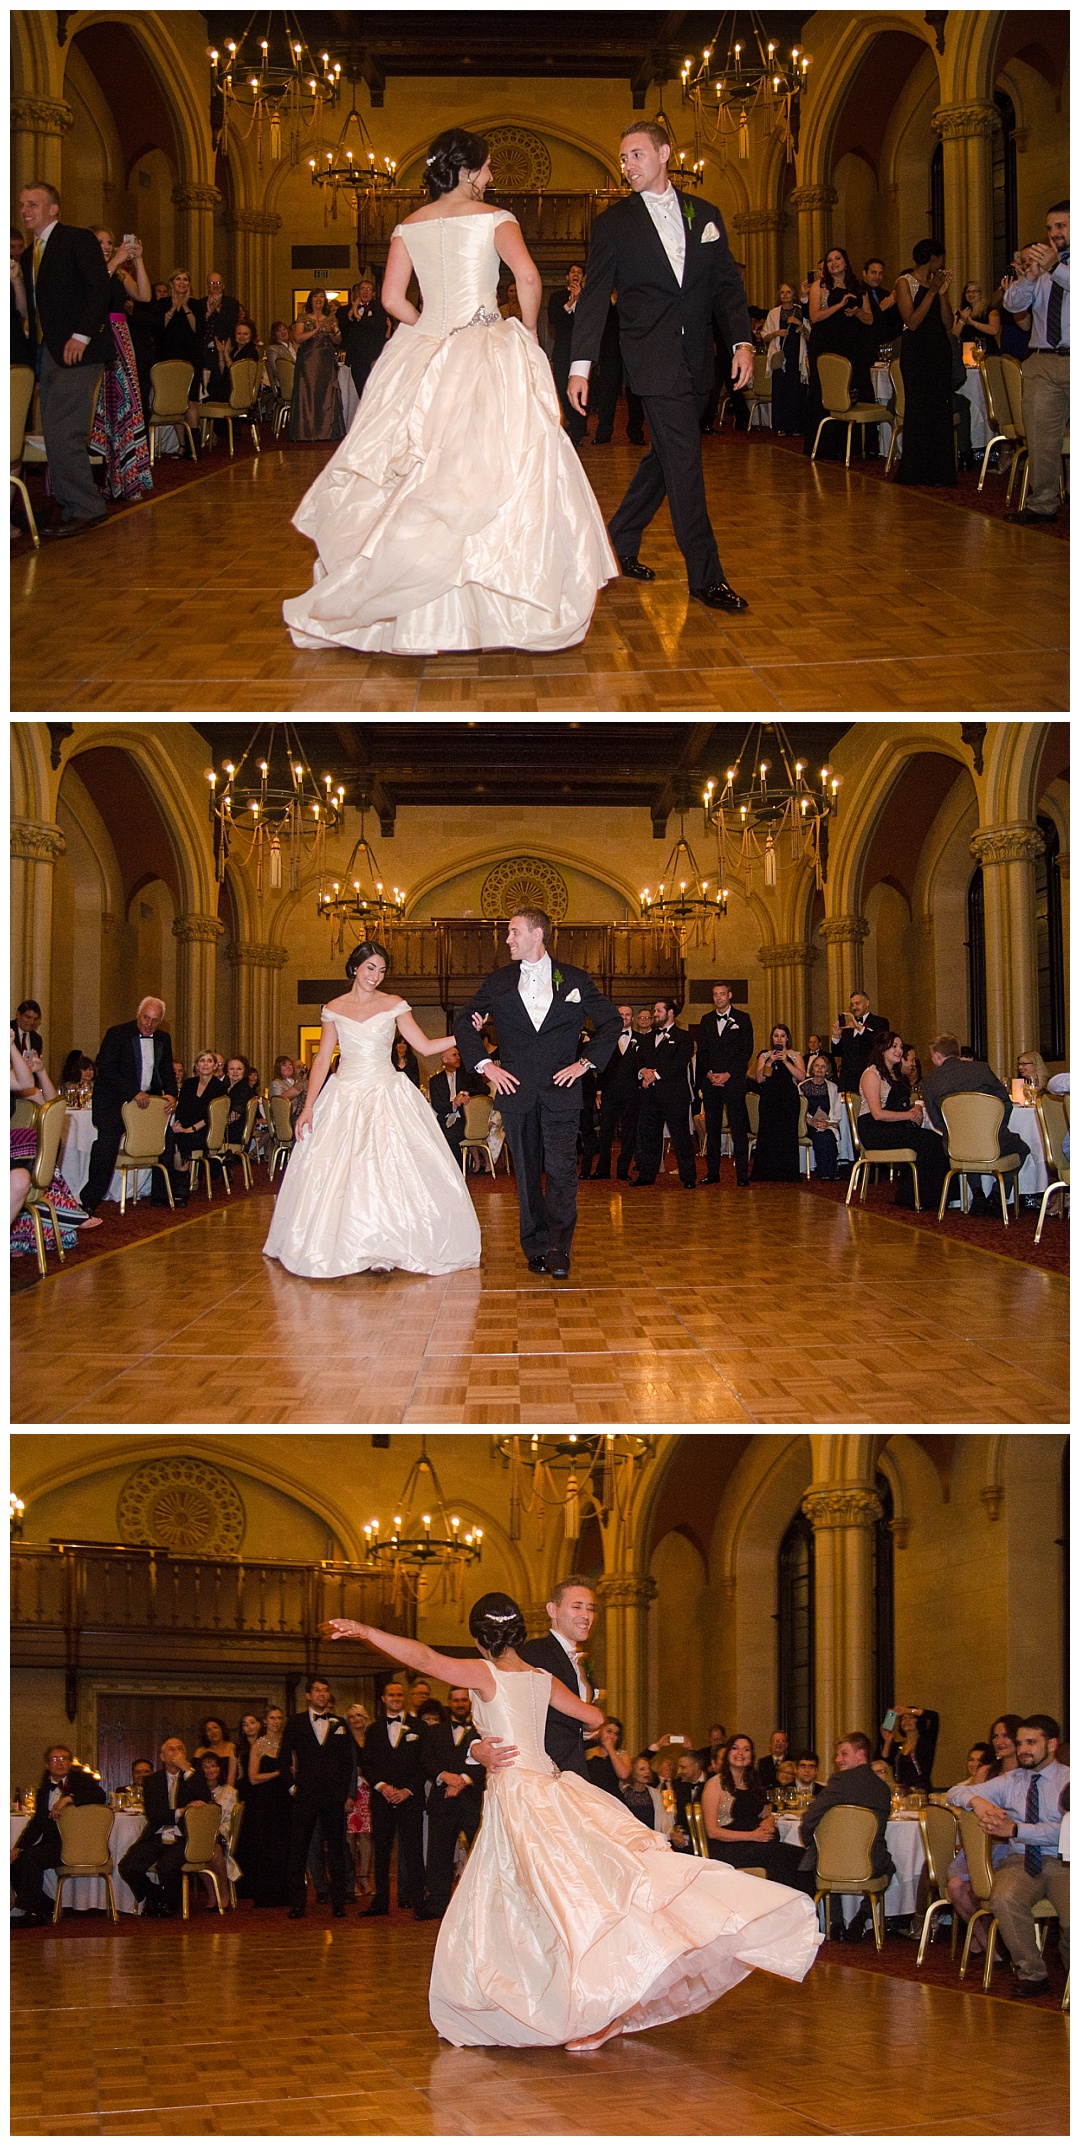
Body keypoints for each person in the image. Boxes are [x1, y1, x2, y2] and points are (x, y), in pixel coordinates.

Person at [325, 1593, 820, 2050]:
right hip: (549, 1783)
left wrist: (366, 1631)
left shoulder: (484, 1674)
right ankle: (585, 2002)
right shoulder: (542, 1679)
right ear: (520, 1635)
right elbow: (590, 1717)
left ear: (480, 1639)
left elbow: (424, 1659)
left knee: (550, 1901)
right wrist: (518, 1730)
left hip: (521, 1795)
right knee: (561, 1896)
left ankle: (585, 2005)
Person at [285, 128, 616, 655]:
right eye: (485, 169)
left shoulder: (407, 225)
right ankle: (494, 608)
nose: (490, 177)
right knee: (482, 471)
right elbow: (528, 278)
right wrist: (526, 333)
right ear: (466, 170)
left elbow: (393, 298)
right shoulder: (496, 219)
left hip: (423, 350)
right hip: (482, 346)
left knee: (417, 473)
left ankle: (409, 609)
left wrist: (426, 330)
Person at [569, 121, 754, 613]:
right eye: (623, 157)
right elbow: (592, 300)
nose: (627, 165)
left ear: (665, 153)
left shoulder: (705, 214)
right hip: (652, 360)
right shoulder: (614, 224)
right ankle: (705, 576)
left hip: (699, 362)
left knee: (667, 458)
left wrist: (741, 343)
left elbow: (726, 290)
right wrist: (580, 365)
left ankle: (619, 540)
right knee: (686, 464)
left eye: (636, 154)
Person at [264, 941, 480, 1279]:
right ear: (354, 967)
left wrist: (462, 1035)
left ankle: (385, 1245)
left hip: (385, 1091)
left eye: (381, 970)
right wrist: (308, 1107)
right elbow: (322, 1059)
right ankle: (347, 1244)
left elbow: (423, 1046)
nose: (375, 976)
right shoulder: (334, 1007)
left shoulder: (394, 1005)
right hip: (344, 1093)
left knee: (386, 1169)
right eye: (369, 968)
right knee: (342, 1172)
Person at [455, 909, 621, 1279]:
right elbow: (463, 1022)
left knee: (563, 1171)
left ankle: (560, 1247)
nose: (508, 939)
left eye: (514, 932)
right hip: (516, 1093)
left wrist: (586, 1063)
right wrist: (487, 1066)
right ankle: (535, 1245)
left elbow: (611, 1022)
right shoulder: (497, 982)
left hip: (562, 1092)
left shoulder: (575, 979)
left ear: (537, 934)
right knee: (527, 1174)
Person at [948, 1714, 1069, 1997]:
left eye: (1031, 1742)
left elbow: (1066, 1830)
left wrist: (1016, 1829)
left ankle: (1069, 1965)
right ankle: (1033, 1974)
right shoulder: (1010, 1780)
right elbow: (954, 1793)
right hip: (1020, 1861)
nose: (1023, 1749)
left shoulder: (1069, 1780)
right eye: (1020, 1743)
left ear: (1051, 1744)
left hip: (1065, 1862)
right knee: (1003, 1897)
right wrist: (976, 1801)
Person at [17, 179, 112, 537]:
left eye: (33, 204)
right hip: (49, 352)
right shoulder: (29, 254)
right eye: (22, 204)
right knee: (54, 432)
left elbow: (99, 288)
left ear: (53, 209)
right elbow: (35, 311)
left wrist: (81, 336)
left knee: (64, 432)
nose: (25, 210)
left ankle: (85, 507)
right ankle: (74, 503)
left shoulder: (75, 239)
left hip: (78, 350)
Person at [1003, 202, 1069, 526]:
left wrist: (1055, 268)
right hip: (1042, 362)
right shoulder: (1042, 271)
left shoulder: (1061, 268)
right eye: (1050, 228)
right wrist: (1030, 276)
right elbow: (1012, 303)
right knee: (1041, 438)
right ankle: (1043, 504)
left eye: (1062, 226)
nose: (1054, 233)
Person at [82, 997, 176, 1216]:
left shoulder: (163, 1038)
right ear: (137, 1012)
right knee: (106, 1147)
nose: (148, 1024)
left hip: (145, 1104)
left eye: (154, 1020)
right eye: (146, 1018)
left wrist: (172, 1094)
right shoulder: (117, 1034)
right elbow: (105, 1068)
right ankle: (89, 1201)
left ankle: (161, 1197)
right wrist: (132, 1092)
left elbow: (166, 1071)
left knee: (167, 1138)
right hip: (113, 1101)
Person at [797, 1732, 894, 1936]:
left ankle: (835, 1922)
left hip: (834, 1862)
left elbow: (809, 1819)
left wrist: (810, 1844)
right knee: (890, 1866)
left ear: (861, 1755)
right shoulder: (883, 1789)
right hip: (870, 1862)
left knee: (823, 1857)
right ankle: (862, 1915)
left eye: (844, 1754)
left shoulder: (841, 1781)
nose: (838, 1759)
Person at [919, 1032, 1029, 1205]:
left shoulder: (929, 1082)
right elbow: (1005, 1103)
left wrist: (955, 1131)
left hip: (956, 1145)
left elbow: (937, 1121)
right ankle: (998, 1195)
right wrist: (997, 1127)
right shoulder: (981, 1069)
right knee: (1022, 1148)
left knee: (966, 1145)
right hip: (992, 1141)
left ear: (938, 1056)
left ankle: (977, 1193)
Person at [278, 1676, 353, 1919]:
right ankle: (298, 1903)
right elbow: (283, 1757)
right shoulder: (296, 1722)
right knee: (299, 1848)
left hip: (333, 1797)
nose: (322, 1694)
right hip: (305, 1795)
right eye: (317, 1690)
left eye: (325, 1690)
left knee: (337, 1850)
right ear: (308, 1695)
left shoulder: (340, 1723)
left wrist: (343, 1793)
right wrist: (292, 1787)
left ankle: (339, 1901)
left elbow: (348, 1763)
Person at [87, 229, 153, 502]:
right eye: (99, 242)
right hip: (98, 338)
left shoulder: (119, 274)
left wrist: (137, 260)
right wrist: (114, 260)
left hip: (122, 340)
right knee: (98, 412)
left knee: (126, 409)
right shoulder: (88, 270)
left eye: (109, 242)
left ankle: (128, 478)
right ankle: (95, 482)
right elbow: (92, 291)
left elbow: (145, 296)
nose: (106, 246)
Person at [10, 1743, 107, 1925]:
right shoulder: (44, 1790)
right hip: (53, 1844)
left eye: (64, 1758)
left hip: (76, 1844)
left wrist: (68, 1799)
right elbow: (37, 1824)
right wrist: (19, 1847)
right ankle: (45, 1905)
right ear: (47, 1765)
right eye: (55, 1759)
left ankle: (35, 1913)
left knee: (31, 1858)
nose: (60, 1763)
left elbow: (100, 1796)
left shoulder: (81, 1781)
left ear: (70, 1763)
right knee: (17, 1861)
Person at [118, 1737, 212, 1917]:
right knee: (128, 1866)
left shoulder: (192, 1778)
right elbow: (154, 1814)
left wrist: (186, 1770)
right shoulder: (153, 1781)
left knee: (167, 1867)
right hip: (157, 1834)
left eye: (179, 1749)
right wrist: (181, 1811)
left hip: (184, 1836)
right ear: (162, 1756)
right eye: (171, 1749)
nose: (175, 1753)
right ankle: (158, 1896)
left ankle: (168, 1904)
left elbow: (205, 1798)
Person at [857, 1032, 949, 1211]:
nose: (899, 1050)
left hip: (893, 1126)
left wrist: (916, 1109)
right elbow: (877, 1114)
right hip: (874, 1129)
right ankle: (916, 1196)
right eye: (894, 1046)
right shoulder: (871, 1074)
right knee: (928, 1141)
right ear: (882, 1050)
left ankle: (931, 1195)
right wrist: (908, 1115)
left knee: (936, 1139)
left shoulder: (897, 1075)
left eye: (900, 1046)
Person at [359, 1678, 426, 1917]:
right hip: (382, 1799)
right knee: (381, 1851)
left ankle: (418, 1901)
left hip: (410, 1799)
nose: (395, 1699)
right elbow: (366, 1763)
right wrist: (382, 1786)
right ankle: (380, 1903)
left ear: (404, 1698)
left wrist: (407, 1790)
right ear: (384, 1699)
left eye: (399, 1695)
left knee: (413, 1851)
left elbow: (424, 1764)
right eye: (391, 1695)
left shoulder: (420, 1727)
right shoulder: (374, 1729)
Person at [417, 1686, 484, 1921]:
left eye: (464, 1700)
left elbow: (487, 1763)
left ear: (471, 1702)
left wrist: (463, 1780)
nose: (460, 1704)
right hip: (442, 1799)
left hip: (472, 1801)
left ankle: (480, 1904)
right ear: (449, 1702)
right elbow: (425, 1759)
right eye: (456, 1700)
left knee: (480, 1854)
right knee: (439, 1855)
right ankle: (437, 1904)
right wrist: (445, 1776)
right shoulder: (435, 1732)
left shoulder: (483, 1731)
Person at [895, 240, 957, 486]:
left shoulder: (937, 284)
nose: (942, 264)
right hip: (917, 353)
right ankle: (916, 469)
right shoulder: (904, 283)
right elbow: (911, 321)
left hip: (938, 351)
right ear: (933, 258)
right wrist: (930, 291)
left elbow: (948, 323)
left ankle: (940, 471)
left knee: (940, 410)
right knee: (918, 409)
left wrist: (942, 294)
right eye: (941, 259)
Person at [803, 248, 875, 461]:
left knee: (855, 388)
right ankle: (825, 445)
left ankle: (856, 446)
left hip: (852, 345)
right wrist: (839, 305)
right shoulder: (820, 286)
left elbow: (870, 319)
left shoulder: (859, 288)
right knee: (826, 391)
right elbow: (814, 317)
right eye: (830, 260)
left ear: (846, 262)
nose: (834, 263)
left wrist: (857, 312)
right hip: (825, 344)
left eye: (838, 259)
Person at [633, 997, 698, 1188]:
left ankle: (688, 1177)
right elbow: (637, 1060)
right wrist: (643, 1072)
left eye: (659, 1011)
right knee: (649, 1137)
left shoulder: (684, 1037)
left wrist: (655, 1075)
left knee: (681, 1137)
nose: (655, 1014)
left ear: (670, 1013)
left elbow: (679, 1063)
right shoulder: (646, 1038)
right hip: (650, 1095)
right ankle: (647, 1175)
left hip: (674, 1095)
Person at [696, 983, 754, 1186]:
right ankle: (713, 1173)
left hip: (734, 1081)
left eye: (722, 994)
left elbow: (746, 1051)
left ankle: (742, 1175)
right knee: (712, 1129)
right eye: (715, 995)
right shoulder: (706, 1020)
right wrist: (710, 1074)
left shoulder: (743, 1019)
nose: (719, 998)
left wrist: (729, 1074)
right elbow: (702, 1052)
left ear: (729, 995)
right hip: (711, 1082)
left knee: (738, 1128)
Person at [245, 1704, 291, 1908]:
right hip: (265, 1801)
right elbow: (253, 1778)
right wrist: (278, 1773)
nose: (276, 1722)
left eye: (279, 1718)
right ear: (265, 1721)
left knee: (286, 1846)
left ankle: (286, 1893)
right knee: (266, 1847)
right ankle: (266, 1895)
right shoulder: (258, 1745)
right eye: (272, 1718)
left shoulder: (288, 1743)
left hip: (286, 1800)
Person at [165, 1051, 227, 1203]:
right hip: (186, 1126)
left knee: (181, 1140)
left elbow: (211, 1116)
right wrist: (179, 1124)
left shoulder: (219, 1087)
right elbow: (182, 1108)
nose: (205, 1064)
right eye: (202, 1061)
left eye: (209, 1061)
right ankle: (169, 1184)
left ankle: (182, 1187)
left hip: (206, 1131)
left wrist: (191, 1129)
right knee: (168, 1136)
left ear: (215, 1066)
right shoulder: (189, 1084)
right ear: (197, 1065)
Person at [590, 1003, 640, 1179]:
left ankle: (622, 1170)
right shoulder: (606, 1039)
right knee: (605, 1133)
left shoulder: (641, 1040)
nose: (624, 1017)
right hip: (609, 1093)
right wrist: (598, 1092)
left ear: (632, 1018)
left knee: (628, 1133)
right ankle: (603, 1169)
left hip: (632, 1094)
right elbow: (599, 1068)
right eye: (621, 1014)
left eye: (628, 1015)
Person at [288, 287, 344, 442]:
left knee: (325, 393)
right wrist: (315, 330)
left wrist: (336, 332)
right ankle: (307, 431)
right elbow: (298, 338)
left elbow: (337, 342)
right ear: (310, 300)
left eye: (321, 297)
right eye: (315, 297)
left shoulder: (331, 318)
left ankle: (326, 431)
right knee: (309, 392)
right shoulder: (303, 317)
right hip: (308, 359)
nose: (319, 300)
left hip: (326, 359)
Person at [751, 1027, 806, 1183]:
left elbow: (801, 1076)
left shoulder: (795, 1056)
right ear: (772, 1038)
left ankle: (788, 1172)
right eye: (776, 1036)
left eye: (782, 1036)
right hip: (769, 1098)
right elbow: (760, 1078)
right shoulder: (765, 1056)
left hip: (788, 1098)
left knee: (787, 1133)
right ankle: (766, 1172)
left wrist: (786, 1061)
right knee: (768, 1133)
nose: (779, 1039)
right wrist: (770, 1061)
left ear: (787, 1038)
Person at [547, 262, 587, 443]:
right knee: (563, 388)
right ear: (567, 277)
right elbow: (554, 319)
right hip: (563, 350)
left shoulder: (589, 297)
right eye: (572, 272)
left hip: (582, 350)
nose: (576, 274)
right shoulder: (557, 297)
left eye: (579, 272)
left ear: (583, 278)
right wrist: (571, 302)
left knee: (581, 389)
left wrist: (581, 299)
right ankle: (575, 420)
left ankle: (579, 427)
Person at [762, 284, 809, 434]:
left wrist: (799, 324)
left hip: (797, 356)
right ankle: (781, 426)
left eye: (788, 292)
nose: (785, 295)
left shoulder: (802, 311)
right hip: (780, 357)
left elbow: (809, 335)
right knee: (780, 390)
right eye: (782, 292)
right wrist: (776, 333)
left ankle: (797, 427)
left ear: (794, 294)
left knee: (796, 391)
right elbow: (765, 336)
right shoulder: (773, 313)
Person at [336, 277, 390, 404]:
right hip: (356, 357)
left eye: (368, 289)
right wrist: (353, 309)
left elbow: (377, 325)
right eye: (362, 289)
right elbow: (344, 327)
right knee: (360, 389)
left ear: (373, 293)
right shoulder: (345, 310)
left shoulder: (379, 307)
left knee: (374, 389)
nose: (365, 292)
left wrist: (359, 317)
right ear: (357, 292)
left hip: (373, 355)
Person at [830, 992, 890, 1094]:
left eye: (857, 1003)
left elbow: (880, 1044)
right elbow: (838, 1053)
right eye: (852, 1005)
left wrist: (859, 1028)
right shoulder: (848, 1027)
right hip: (847, 1082)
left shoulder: (880, 1022)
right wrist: (836, 1037)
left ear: (867, 1003)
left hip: (869, 1078)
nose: (854, 1007)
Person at [799, 1055, 843, 1179]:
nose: (819, 1069)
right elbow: (800, 1111)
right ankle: (824, 1172)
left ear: (827, 1070)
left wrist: (827, 1123)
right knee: (820, 1136)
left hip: (827, 1124)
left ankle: (831, 1171)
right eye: (817, 1066)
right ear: (812, 1069)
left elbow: (837, 1110)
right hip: (808, 1125)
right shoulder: (802, 1087)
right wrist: (811, 1122)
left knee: (828, 1135)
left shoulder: (833, 1088)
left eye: (823, 1067)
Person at [880, 1705, 939, 1793]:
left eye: (911, 1718)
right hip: (902, 1792)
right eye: (903, 1718)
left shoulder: (926, 1742)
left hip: (921, 1793)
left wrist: (907, 1710)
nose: (907, 1721)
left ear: (919, 1721)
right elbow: (884, 1761)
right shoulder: (899, 1746)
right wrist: (887, 1742)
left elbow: (934, 1716)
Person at [193, 1715, 238, 1787]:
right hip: (205, 1789)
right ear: (205, 1735)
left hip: (230, 1789)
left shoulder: (232, 1747)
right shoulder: (200, 1751)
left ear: (222, 1730)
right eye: (208, 1730)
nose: (213, 1731)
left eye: (215, 1727)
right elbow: (195, 1776)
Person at [758, 1730, 790, 1795]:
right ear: (771, 1744)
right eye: (776, 1741)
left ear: (786, 1745)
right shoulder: (763, 1762)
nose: (779, 1744)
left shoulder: (793, 1761)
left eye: (782, 1741)